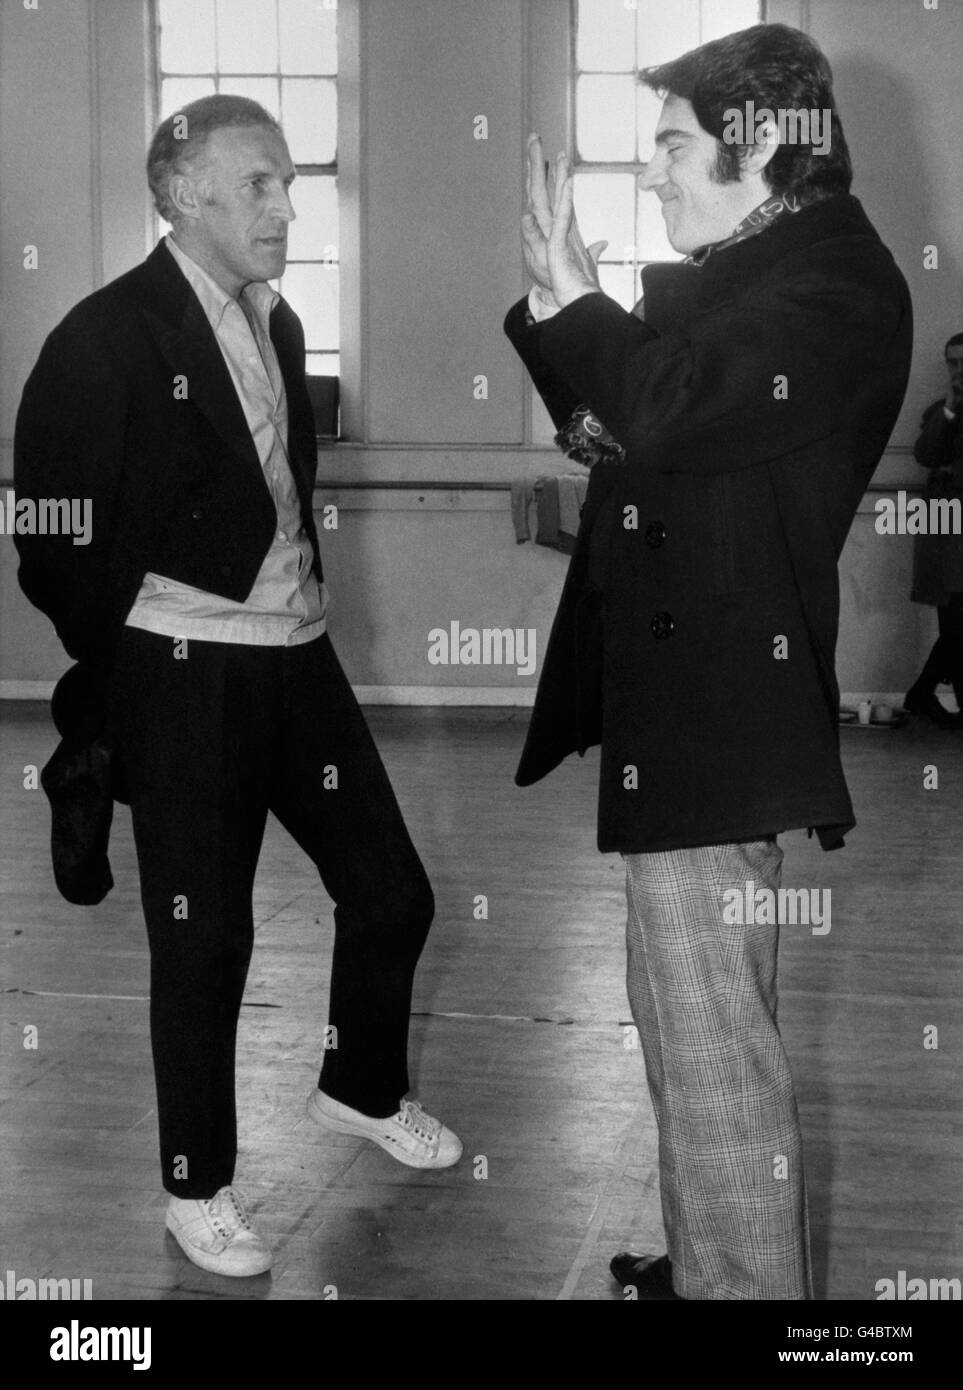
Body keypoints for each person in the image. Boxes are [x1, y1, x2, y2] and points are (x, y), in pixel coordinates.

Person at [14, 95, 460, 1279]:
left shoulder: (282, 323)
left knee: (393, 893)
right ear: (183, 192)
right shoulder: (106, 336)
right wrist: (132, 664)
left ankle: (360, 1087)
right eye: (258, 183)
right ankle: (195, 1187)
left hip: (296, 659)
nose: (285, 204)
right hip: (182, 671)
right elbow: (52, 536)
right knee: (204, 938)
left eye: (286, 182)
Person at [505, 24, 912, 1299]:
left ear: (769, 149)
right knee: (687, 1029)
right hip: (687, 712)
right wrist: (559, 312)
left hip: (723, 719)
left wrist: (577, 305)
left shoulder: (836, 286)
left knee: (717, 1045)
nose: (659, 176)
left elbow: (667, 409)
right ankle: (711, 1267)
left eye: (676, 147)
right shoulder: (763, 276)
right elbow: (625, 432)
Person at [904, 333, 963, 726]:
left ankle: (922, 694)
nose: (958, 370)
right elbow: (927, 455)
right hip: (946, 532)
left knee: (959, 624)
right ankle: (922, 694)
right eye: (952, 362)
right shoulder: (938, 412)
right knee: (955, 620)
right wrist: (952, 409)